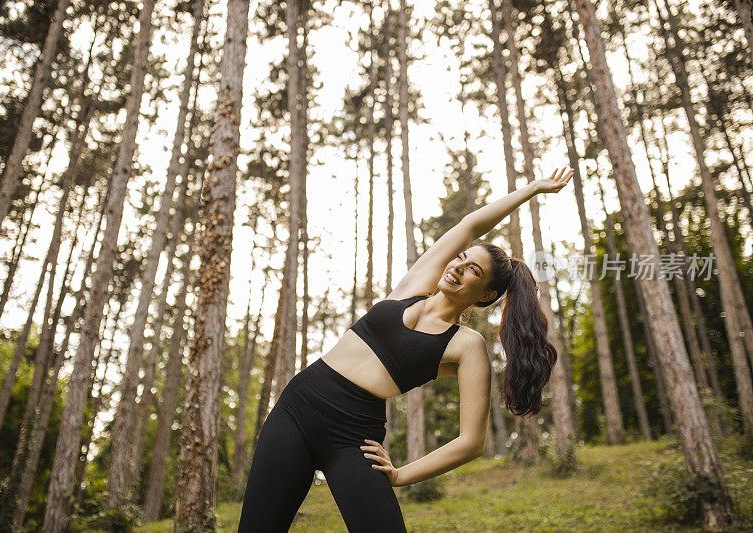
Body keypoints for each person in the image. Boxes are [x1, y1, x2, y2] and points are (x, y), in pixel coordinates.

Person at [237, 167, 575, 532]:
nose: (458, 266)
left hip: (354, 435)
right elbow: (471, 224)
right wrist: (533, 188)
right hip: (297, 408)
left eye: (473, 269)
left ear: (487, 295)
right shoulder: (414, 285)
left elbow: (471, 442)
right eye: (461, 257)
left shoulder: (465, 345)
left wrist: (401, 475)